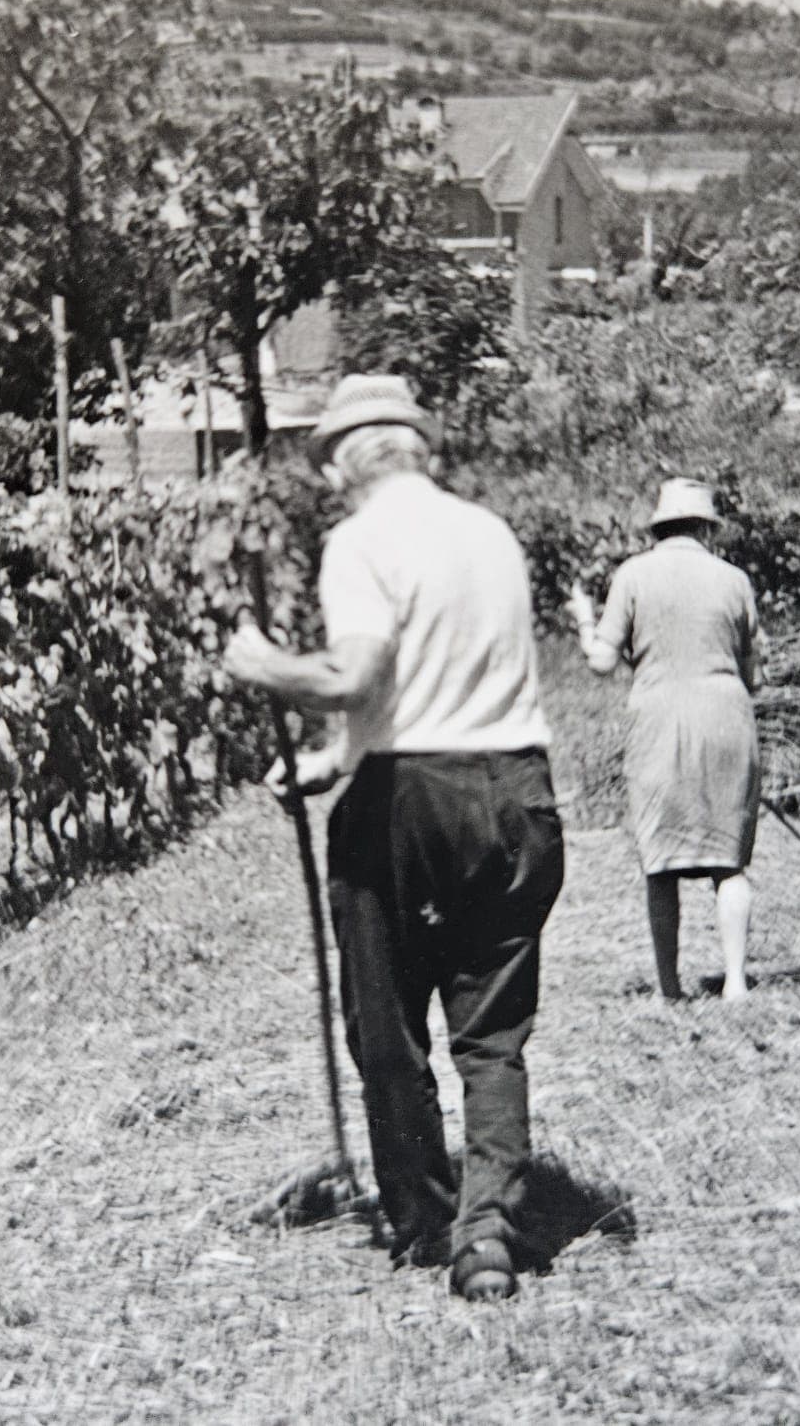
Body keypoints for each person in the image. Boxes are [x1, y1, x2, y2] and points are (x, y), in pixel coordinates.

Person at [223, 374, 564, 1304]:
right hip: (518, 793)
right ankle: (488, 1230)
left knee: (387, 1023)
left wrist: (264, 666)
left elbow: (358, 669)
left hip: (412, 799)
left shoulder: (361, 539)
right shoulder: (488, 533)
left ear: (342, 463)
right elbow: (435, 677)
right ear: (420, 450)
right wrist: (340, 753)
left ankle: (423, 1221)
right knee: (492, 1032)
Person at [565, 478, 761, 1003]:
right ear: (705, 527)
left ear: (660, 527)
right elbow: (753, 673)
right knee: (729, 859)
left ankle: (671, 987)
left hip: (657, 722)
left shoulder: (633, 574)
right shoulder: (734, 579)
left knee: (661, 860)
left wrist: (586, 623)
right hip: (726, 718)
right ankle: (737, 982)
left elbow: (602, 662)